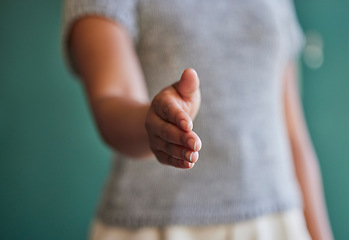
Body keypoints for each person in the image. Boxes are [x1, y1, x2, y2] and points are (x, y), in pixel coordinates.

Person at [62, 0, 334, 239]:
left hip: (279, 225)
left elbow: (293, 137)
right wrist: (155, 125)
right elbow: (112, 99)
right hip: (157, 225)